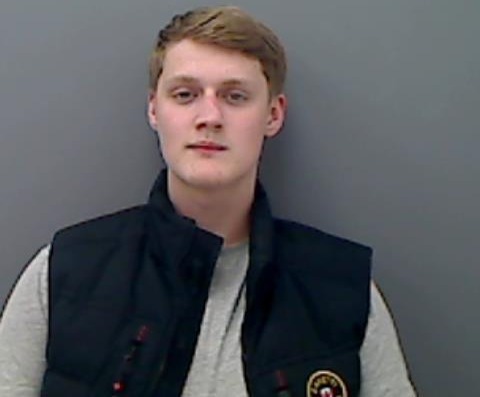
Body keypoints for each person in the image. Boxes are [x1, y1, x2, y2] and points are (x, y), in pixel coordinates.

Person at [0, 6, 416, 397]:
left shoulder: (343, 287)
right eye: (185, 94)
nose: (210, 116)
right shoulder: (61, 273)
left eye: (235, 96)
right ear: (153, 110)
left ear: (273, 115)